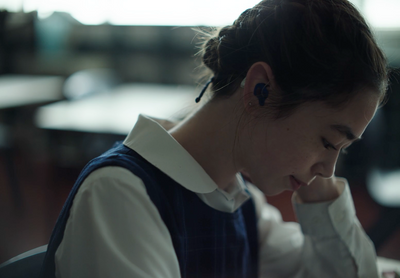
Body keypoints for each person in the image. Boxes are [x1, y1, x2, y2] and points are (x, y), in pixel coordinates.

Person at [41, 0, 389, 277]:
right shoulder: (121, 196)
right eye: (328, 142)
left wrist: (316, 174)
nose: (330, 170)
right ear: (259, 90)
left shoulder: (238, 202)